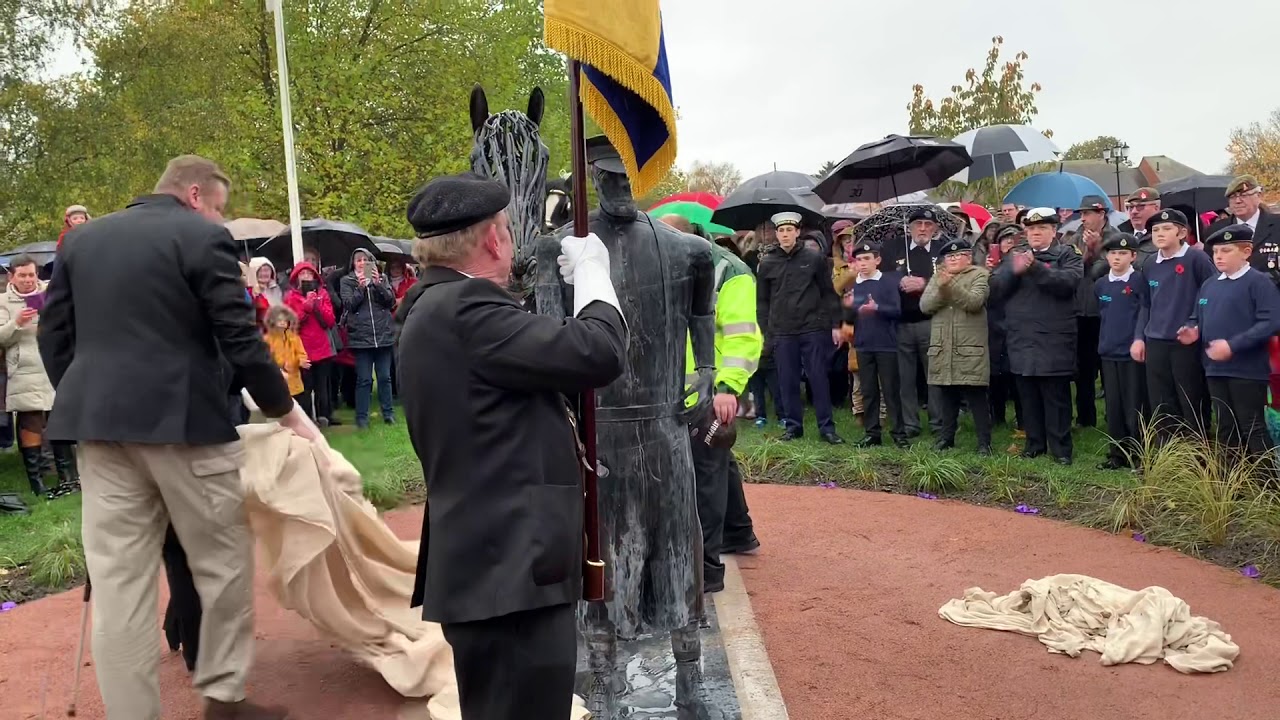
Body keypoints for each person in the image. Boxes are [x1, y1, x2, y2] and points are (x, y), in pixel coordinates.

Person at [38, 154, 317, 720]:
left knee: (119, 585)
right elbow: (240, 338)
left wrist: (88, 397)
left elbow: (53, 335)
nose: (220, 219)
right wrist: (287, 412)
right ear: (195, 195)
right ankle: (223, 698)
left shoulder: (82, 242)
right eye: (218, 207)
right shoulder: (201, 237)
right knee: (223, 565)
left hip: (100, 432)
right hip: (187, 426)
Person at [398, 172, 627, 720]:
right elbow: (599, 353)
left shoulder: (437, 306)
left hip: (498, 568)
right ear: (492, 240)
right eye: (506, 228)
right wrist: (595, 276)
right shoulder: (466, 309)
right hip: (510, 572)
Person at [659, 214, 764, 595]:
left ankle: (706, 569)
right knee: (717, 458)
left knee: (705, 473)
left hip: (707, 390)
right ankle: (738, 532)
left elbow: (742, 336)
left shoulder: (731, 272)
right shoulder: (671, 263)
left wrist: (727, 388)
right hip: (677, 387)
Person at [989, 208, 1083, 465]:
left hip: (1054, 337)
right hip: (1021, 336)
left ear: (1054, 231)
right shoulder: (1015, 256)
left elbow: (1067, 284)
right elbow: (995, 290)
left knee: (1055, 396)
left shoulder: (1068, 254)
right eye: (1031, 229)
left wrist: (1034, 268)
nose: (1036, 233)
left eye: (1042, 228)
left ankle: (1061, 449)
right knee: (1027, 394)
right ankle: (1034, 445)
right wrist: (1013, 271)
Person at [1181, 224, 1280, 462]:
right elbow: (1197, 315)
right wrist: (1193, 329)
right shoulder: (1210, 284)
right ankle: (1231, 478)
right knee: (1226, 427)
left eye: (1226, 251)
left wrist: (1233, 345)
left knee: (1252, 426)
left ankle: (1266, 480)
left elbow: (1270, 322)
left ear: (1246, 252)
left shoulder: (1259, 282)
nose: (1218, 257)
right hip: (1215, 369)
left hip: (1247, 370)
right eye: (1215, 252)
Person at [756, 211, 844, 444]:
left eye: (789, 230)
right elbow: (762, 301)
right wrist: (765, 331)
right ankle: (793, 427)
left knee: (818, 378)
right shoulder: (767, 262)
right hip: (782, 330)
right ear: (776, 234)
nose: (785, 234)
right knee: (787, 380)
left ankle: (827, 428)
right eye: (781, 231)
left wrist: (835, 324)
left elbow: (828, 293)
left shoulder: (814, 258)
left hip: (812, 327)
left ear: (797, 232)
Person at [1133, 209, 1216, 439]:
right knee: (1161, 400)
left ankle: (1197, 449)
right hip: (1156, 340)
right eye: (1155, 230)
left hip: (1185, 342)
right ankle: (1167, 449)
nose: (1159, 233)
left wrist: (1194, 323)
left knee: (1191, 398)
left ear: (1181, 233)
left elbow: (1210, 293)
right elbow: (1146, 304)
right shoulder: (1150, 263)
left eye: (1166, 228)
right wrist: (1139, 337)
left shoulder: (1196, 259)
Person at [0, 255, 77, 497]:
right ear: (12, 277)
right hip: (24, 367)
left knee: (59, 419)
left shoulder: (51, 292)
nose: (28, 280)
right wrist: (16, 322)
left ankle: (68, 478)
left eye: (31, 274)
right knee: (30, 420)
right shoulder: (3, 302)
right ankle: (37, 483)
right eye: (22, 275)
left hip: (53, 363)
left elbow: (70, 319)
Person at [919, 238, 993, 455]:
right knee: (947, 395)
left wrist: (949, 286)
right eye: (949, 256)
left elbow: (974, 302)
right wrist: (943, 288)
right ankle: (946, 437)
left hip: (969, 347)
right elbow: (925, 306)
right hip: (943, 345)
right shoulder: (938, 277)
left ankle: (984, 443)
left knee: (976, 396)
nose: (952, 259)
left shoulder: (980, 275)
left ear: (968, 257)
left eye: (957, 255)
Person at [881, 206, 947, 439]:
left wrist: (924, 283)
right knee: (905, 378)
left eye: (928, 225)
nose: (923, 228)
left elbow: (949, 281)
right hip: (900, 323)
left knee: (934, 376)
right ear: (909, 227)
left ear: (935, 228)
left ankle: (939, 423)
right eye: (918, 224)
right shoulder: (893, 248)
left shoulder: (942, 251)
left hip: (931, 321)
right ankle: (910, 423)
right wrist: (899, 281)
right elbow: (882, 279)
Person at [1062, 195, 1118, 429]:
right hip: (1079, 311)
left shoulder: (1115, 237)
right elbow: (1071, 267)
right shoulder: (1074, 237)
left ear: (1101, 214)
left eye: (1087, 213)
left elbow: (1111, 268)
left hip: (1106, 311)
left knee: (1109, 369)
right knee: (1083, 369)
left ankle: (1114, 417)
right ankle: (1085, 419)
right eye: (1081, 214)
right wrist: (1087, 252)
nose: (1083, 218)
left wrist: (1098, 249)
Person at [1094, 234, 1149, 470]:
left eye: (1123, 253)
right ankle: (1117, 453)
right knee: (1113, 406)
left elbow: (1144, 311)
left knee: (1134, 404)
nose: (1117, 258)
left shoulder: (1139, 281)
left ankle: (1139, 453)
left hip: (1131, 353)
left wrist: (1138, 340)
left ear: (1133, 256)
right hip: (1109, 351)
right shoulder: (1101, 284)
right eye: (1113, 253)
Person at [844, 240, 905, 448]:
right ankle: (872, 433)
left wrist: (877, 308)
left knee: (890, 391)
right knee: (868, 391)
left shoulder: (887, 282)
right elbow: (850, 319)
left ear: (877, 260)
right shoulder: (855, 284)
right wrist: (849, 308)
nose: (862, 263)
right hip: (863, 344)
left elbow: (897, 311)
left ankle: (899, 433)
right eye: (859, 259)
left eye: (867, 259)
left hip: (886, 344)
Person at [339, 248, 397, 428]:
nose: (362, 263)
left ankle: (388, 414)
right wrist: (360, 288)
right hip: (361, 337)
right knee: (364, 379)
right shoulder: (347, 281)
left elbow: (390, 302)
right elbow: (349, 305)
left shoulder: (382, 278)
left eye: (365, 260)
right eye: (358, 260)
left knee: (385, 377)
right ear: (353, 263)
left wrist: (378, 284)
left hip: (382, 334)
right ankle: (362, 418)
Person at [283, 261, 338, 425]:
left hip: (322, 347)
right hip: (302, 349)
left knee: (323, 386)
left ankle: (325, 416)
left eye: (309, 273)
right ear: (296, 277)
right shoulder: (291, 297)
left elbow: (330, 321)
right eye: (302, 274)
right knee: (305, 387)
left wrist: (317, 305)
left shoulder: (323, 293)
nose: (306, 276)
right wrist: (305, 308)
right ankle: (306, 419)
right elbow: (290, 323)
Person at [1206, 175, 1280, 287]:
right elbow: (1211, 272)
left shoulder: (1277, 225)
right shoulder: (1216, 230)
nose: (1238, 201)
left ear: (1259, 196)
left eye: (1244, 195)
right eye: (1232, 197)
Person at [263, 305, 311, 414]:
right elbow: (266, 359)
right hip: (277, 382)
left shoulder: (294, 337)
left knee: (298, 410)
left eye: (285, 320)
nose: (283, 323)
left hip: (294, 381)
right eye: (279, 320)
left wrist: (301, 361)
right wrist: (281, 366)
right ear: (272, 320)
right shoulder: (267, 339)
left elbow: (301, 353)